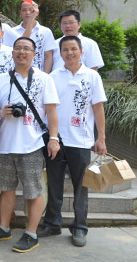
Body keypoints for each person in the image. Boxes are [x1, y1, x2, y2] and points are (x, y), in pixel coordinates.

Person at [0, 37, 60, 253]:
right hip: (4, 145)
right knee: (6, 190)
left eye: (27, 49)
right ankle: (4, 228)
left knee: (33, 191)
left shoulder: (44, 79)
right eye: (18, 48)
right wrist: (1, 112)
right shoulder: (0, 79)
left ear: (34, 54)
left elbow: (51, 111)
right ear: (12, 53)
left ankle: (31, 233)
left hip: (32, 145)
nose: (22, 52)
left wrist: (54, 138)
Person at [39, 36, 107, 247]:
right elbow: (46, 108)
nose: (69, 53)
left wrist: (101, 137)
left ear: (81, 51)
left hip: (81, 142)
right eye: (65, 50)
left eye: (73, 49)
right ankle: (52, 223)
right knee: (54, 184)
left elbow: (98, 107)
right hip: (56, 140)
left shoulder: (92, 76)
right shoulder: (52, 77)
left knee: (81, 186)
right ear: (60, 53)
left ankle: (80, 227)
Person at [14, 2, 56, 73]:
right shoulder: (13, 31)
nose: (27, 12)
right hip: (18, 73)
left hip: (39, 73)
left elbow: (48, 56)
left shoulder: (45, 31)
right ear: (20, 12)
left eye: (31, 10)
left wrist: (45, 75)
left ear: (37, 12)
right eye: (24, 10)